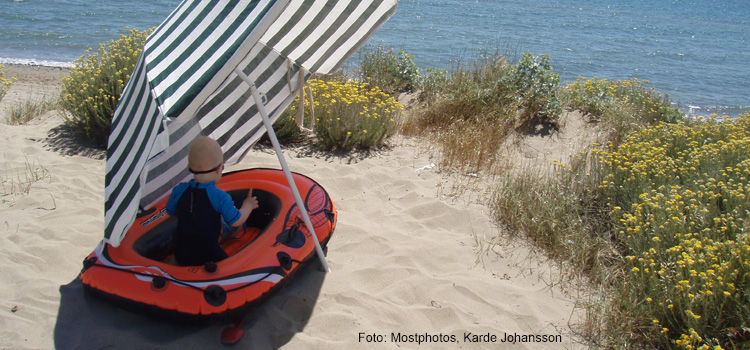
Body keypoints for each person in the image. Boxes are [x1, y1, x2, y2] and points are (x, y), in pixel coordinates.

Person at [166, 136, 258, 266]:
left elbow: (171, 212)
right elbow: (237, 220)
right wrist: (248, 205)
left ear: (188, 167)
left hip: (181, 253)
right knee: (229, 263)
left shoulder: (178, 190)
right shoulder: (220, 197)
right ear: (219, 168)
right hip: (209, 255)